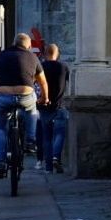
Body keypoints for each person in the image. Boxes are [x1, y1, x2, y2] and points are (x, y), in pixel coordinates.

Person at [0, 32, 46, 179]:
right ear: (29, 45)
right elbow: (43, 82)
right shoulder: (33, 57)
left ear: (13, 43)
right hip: (25, 96)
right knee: (32, 111)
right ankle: (30, 141)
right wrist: (45, 98)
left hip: (3, 96)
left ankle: (0, 163)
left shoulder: (2, 56)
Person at [37, 43, 69, 173]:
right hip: (60, 105)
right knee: (60, 134)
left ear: (45, 54)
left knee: (47, 137)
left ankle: (48, 167)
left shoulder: (41, 67)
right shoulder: (64, 67)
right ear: (57, 54)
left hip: (44, 106)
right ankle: (56, 156)